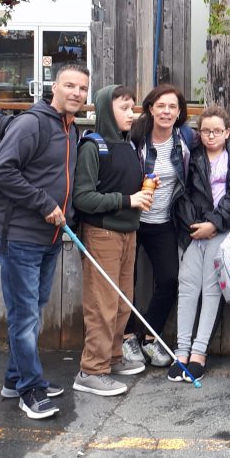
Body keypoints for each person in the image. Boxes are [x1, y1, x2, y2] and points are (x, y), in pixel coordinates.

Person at [0, 64, 89, 419]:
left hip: (49, 238)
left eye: (82, 88)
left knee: (32, 311)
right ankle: (30, 390)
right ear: (54, 87)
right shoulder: (32, 123)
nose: (77, 93)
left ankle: (14, 379)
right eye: (70, 85)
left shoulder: (70, 128)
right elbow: (0, 170)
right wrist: (44, 203)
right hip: (19, 236)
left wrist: (65, 215)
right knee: (25, 316)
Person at [72, 85, 152, 398]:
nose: (131, 114)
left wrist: (140, 196)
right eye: (124, 107)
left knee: (122, 303)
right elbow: (83, 197)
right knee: (102, 304)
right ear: (106, 109)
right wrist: (128, 200)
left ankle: (113, 357)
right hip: (102, 233)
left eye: (133, 108)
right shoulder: (94, 145)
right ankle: (91, 370)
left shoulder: (128, 144)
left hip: (128, 233)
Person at [170, 106, 230, 382]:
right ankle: (181, 351)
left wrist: (214, 224)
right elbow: (185, 193)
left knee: (212, 288)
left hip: (223, 230)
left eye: (217, 131)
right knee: (187, 285)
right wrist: (196, 226)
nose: (211, 136)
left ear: (227, 132)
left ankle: (199, 352)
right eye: (206, 131)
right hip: (193, 229)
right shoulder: (192, 156)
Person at [124, 84, 195, 368]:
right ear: (150, 108)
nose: (166, 111)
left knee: (169, 279)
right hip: (130, 220)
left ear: (179, 113)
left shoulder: (186, 139)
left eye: (173, 107)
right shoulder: (134, 137)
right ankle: (127, 335)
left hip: (164, 220)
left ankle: (150, 337)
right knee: (125, 281)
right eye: (161, 106)